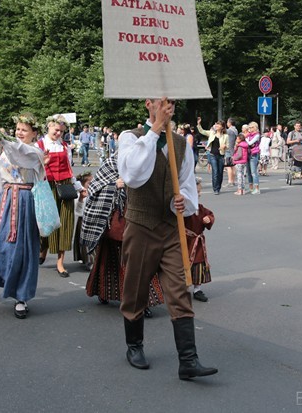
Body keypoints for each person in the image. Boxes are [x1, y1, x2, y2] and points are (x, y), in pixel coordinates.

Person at [117, 98, 217, 380]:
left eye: (171, 102)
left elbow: (187, 186)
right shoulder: (130, 138)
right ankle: (134, 346)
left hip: (171, 228)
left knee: (179, 290)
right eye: (162, 102)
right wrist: (156, 128)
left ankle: (188, 360)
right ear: (149, 104)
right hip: (140, 225)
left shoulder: (181, 144)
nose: (168, 106)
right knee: (135, 291)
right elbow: (132, 175)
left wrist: (182, 202)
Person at [0, 113, 45, 319]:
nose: (20, 133)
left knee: (23, 249)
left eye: (24, 129)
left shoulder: (35, 152)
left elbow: (19, 153)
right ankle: (6, 280)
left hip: (25, 202)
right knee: (4, 246)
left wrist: (0, 137)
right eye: (18, 129)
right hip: (6, 203)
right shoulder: (7, 152)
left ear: (34, 133)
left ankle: (21, 296)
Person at [81, 154, 164, 315]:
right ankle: (106, 292)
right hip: (115, 220)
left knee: (137, 260)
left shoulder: (145, 162)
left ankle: (140, 301)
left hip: (139, 217)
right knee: (109, 258)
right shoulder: (113, 162)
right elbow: (93, 187)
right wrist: (114, 185)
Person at [38, 116, 84, 277]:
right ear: (49, 127)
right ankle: (43, 248)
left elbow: (70, 171)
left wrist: (79, 188)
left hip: (65, 185)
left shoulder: (65, 146)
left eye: (61, 131)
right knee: (46, 221)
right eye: (56, 130)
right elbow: (33, 169)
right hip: (47, 185)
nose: (58, 133)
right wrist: (43, 162)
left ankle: (60, 261)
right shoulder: (40, 145)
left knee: (65, 221)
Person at [185, 177, 214, 302]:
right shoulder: (184, 207)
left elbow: (209, 214)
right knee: (183, 264)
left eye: (199, 192)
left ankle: (197, 289)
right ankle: (182, 288)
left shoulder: (200, 208)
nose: (199, 194)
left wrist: (209, 219)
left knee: (198, 264)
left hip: (197, 242)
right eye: (196, 192)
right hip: (185, 241)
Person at [196, 118, 227, 195]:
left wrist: (224, 146)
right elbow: (202, 131)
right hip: (212, 155)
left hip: (221, 156)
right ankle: (215, 189)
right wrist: (199, 124)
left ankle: (218, 187)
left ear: (222, 127)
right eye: (216, 124)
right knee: (215, 172)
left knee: (220, 173)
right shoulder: (212, 133)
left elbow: (229, 145)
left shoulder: (225, 136)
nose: (216, 125)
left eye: (218, 124)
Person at [72, 171, 94, 270]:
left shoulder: (93, 193)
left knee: (92, 242)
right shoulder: (79, 195)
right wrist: (81, 198)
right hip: (83, 220)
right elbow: (78, 210)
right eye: (89, 183)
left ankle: (90, 259)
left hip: (92, 219)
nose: (91, 184)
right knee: (84, 242)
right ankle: (87, 260)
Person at [245, 122, 261, 194]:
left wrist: (245, 138)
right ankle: (251, 188)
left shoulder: (257, 135)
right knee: (248, 172)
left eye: (251, 127)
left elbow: (249, 143)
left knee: (253, 172)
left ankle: (257, 189)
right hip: (247, 154)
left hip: (254, 154)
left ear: (254, 128)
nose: (249, 129)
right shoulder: (249, 135)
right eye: (249, 128)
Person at [225, 118, 238, 187]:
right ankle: (233, 181)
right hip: (234, 149)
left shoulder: (229, 131)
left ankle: (230, 181)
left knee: (228, 166)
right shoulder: (235, 130)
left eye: (227, 122)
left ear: (230, 123)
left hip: (229, 150)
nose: (227, 123)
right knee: (233, 166)